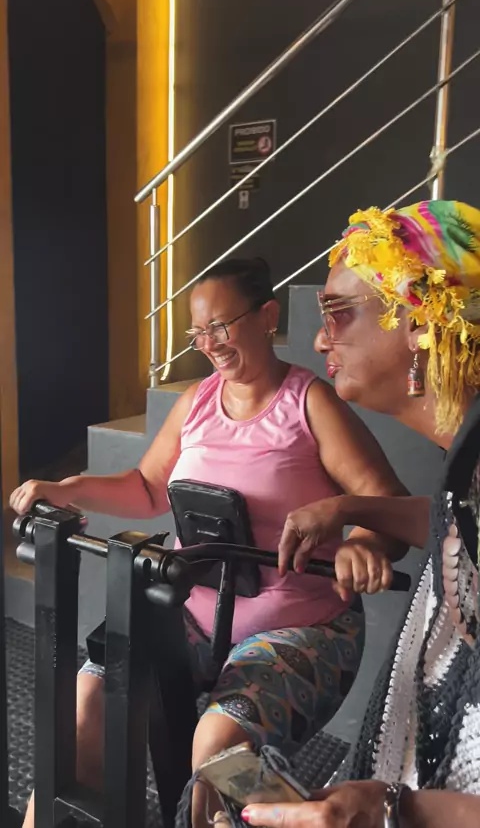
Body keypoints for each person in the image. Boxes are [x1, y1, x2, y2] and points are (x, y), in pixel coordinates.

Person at [10, 257, 408, 828]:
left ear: (267, 316)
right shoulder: (196, 400)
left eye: (221, 327)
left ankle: (292, 819)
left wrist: (364, 544)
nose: (210, 345)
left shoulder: (310, 403)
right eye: (199, 332)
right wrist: (68, 488)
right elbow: (147, 486)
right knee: (89, 702)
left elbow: (386, 503)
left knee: (217, 750)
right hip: (190, 615)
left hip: (300, 625)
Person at [236, 201, 480, 828]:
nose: (320, 340)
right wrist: (350, 508)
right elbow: (460, 529)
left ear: (420, 318)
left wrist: (394, 810)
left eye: (338, 313)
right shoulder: (468, 460)